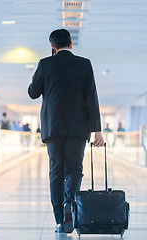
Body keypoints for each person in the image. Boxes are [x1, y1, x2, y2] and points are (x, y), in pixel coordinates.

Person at [28, 29, 104, 234]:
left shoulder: (45, 64)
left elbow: (33, 93)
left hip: (53, 127)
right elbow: (91, 97)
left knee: (56, 170)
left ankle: (60, 219)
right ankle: (70, 202)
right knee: (74, 168)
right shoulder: (84, 64)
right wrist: (97, 130)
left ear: (52, 47)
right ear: (71, 44)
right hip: (78, 128)